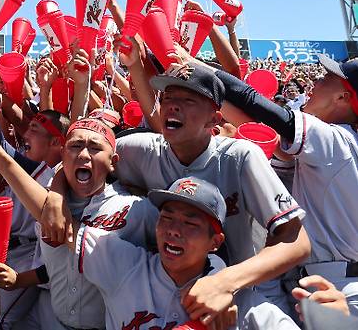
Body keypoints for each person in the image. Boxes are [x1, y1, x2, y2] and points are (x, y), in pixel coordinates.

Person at [83, 62, 310, 326]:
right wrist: (56, 194)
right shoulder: (138, 150)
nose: (172, 105)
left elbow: (297, 240)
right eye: (167, 98)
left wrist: (224, 282)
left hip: (245, 293)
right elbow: (78, 158)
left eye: (188, 99)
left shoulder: (240, 156)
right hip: (165, 290)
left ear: (214, 119)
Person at [0, 118, 157, 330]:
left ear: (113, 162)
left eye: (95, 148)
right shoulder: (49, 196)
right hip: (50, 318)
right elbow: (60, 266)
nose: (83, 154)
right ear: (63, 155)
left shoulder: (137, 209)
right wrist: (19, 279)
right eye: (75, 146)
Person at [214, 54, 358, 315]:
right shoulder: (335, 148)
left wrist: (192, 65)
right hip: (320, 281)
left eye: (327, 78)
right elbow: (256, 125)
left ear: (343, 98)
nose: (316, 81)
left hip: (339, 288)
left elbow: (256, 104)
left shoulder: (338, 142)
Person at [78, 176, 299, 330]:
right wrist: (57, 191)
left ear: (215, 242)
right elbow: (61, 227)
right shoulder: (125, 265)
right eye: (166, 218)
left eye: (190, 223)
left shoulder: (242, 306)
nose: (174, 230)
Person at [0, 56, 69, 330]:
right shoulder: (34, 165)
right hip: (6, 250)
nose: (25, 134)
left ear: (57, 142)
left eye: (34, 129)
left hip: (29, 261)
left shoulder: (54, 173)